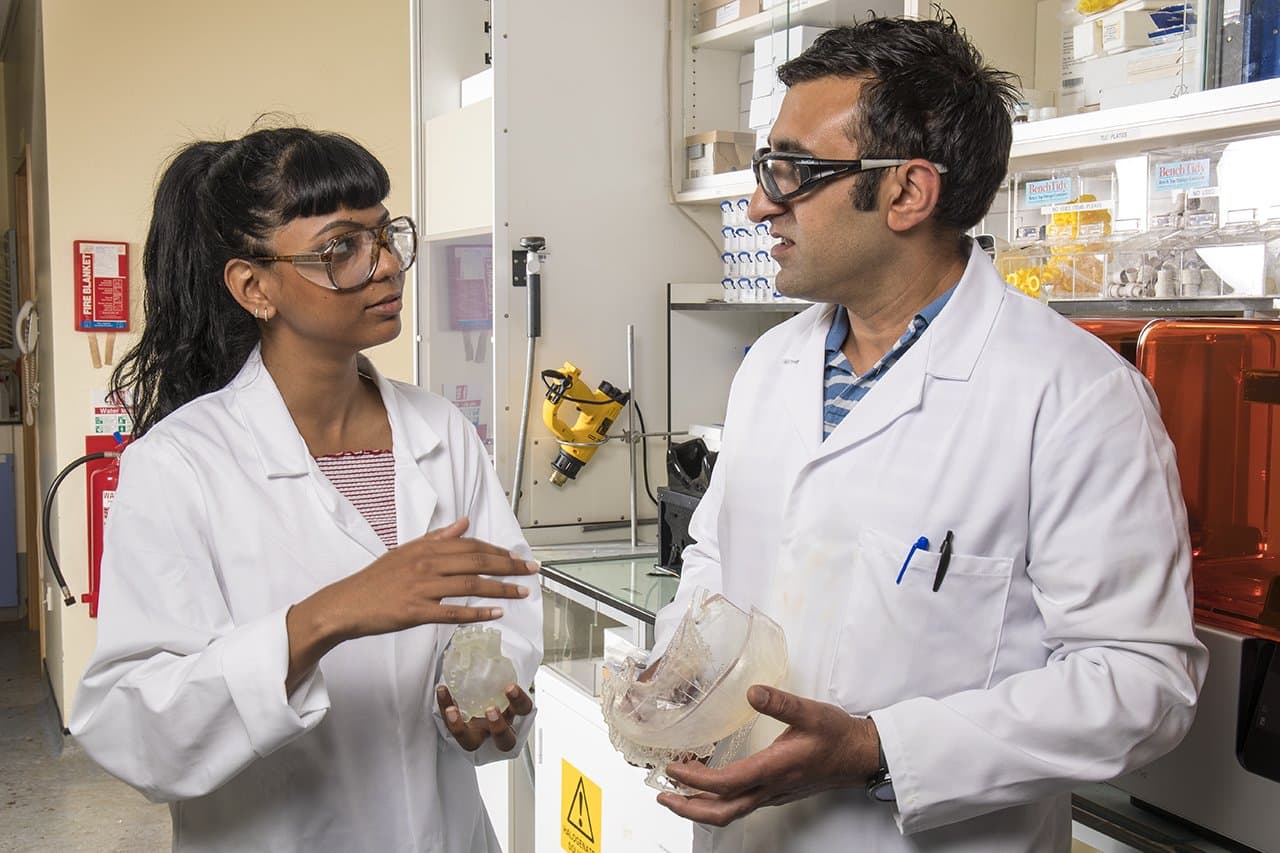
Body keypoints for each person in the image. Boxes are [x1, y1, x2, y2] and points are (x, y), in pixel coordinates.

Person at [651, 15, 1207, 852]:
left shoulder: (1075, 397)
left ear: (908, 192)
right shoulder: (773, 364)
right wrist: (680, 679)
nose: (762, 201)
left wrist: (879, 749)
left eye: (791, 170)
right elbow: (718, 559)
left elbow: (1141, 684)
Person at [69, 127, 542, 853]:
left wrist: (487, 705)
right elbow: (132, 726)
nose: (385, 266)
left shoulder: (440, 433)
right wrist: (323, 618)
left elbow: (508, 612)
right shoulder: (180, 465)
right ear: (253, 287)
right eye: (341, 248)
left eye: (387, 236)